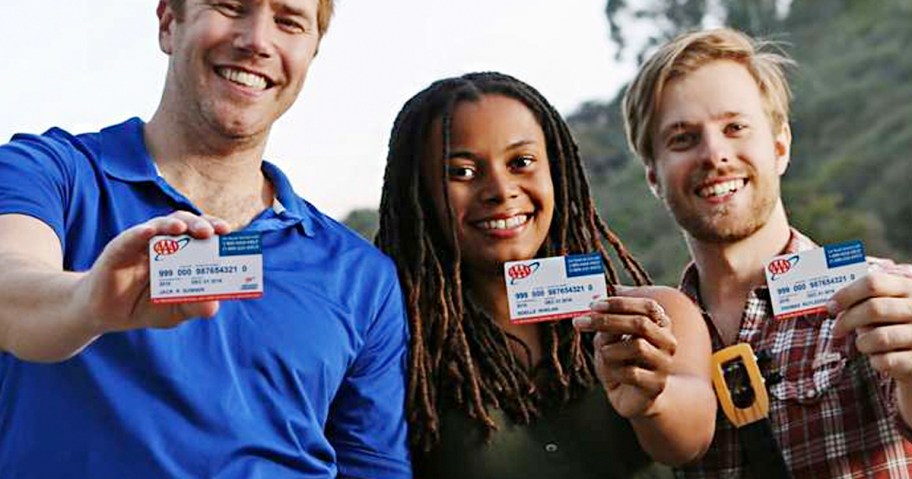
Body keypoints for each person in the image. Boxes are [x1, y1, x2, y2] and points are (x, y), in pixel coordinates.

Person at [0, 1, 411, 478]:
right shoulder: (48, 172)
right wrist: (86, 302)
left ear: (312, 52)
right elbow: (10, 284)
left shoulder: (364, 277)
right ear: (169, 22)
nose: (258, 40)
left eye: (289, 21)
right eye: (231, 6)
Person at [375, 71, 716, 478]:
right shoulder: (396, 352)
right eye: (462, 172)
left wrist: (652, 400)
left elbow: (689, 445)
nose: (501, 190)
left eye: (521, 163)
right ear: (420, 195)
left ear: (556, 170)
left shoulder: (653, 315)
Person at [622, 27, 912, 477]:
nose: (715, 154)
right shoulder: (648, 339)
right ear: (654, 178)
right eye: (683, 138)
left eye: (735, 127)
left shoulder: (881, 297)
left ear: (780, 146)